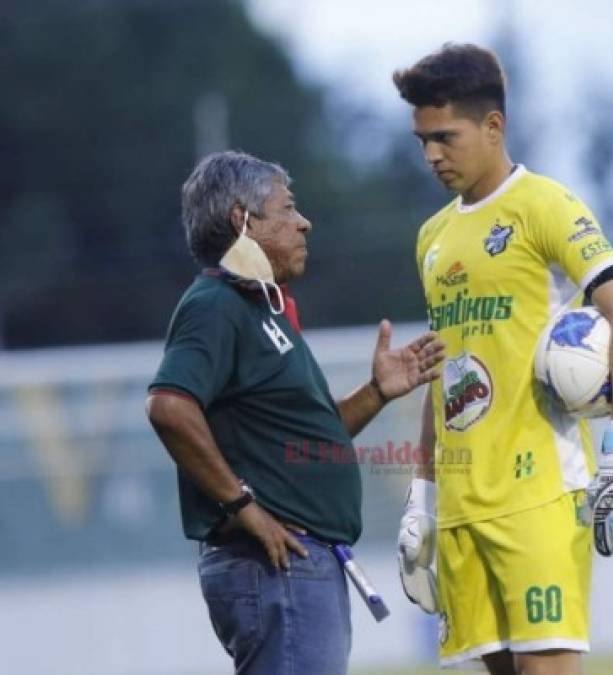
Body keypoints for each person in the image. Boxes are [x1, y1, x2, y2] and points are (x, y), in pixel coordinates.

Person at [392, 44, 613, 674]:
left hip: (538, 495)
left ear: (494, 127)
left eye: (445, 137)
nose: (431, 154)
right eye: (421, 140)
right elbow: (444, 371)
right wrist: (422, 498)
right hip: (462, 507)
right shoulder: (431, 237)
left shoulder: (544, 205)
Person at [145, 150, 444, 675]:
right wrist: (244, 507)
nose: (303, 222)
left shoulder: (263, 308)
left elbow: (308, 438)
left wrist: (377, 391)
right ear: (243, 219)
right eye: (287, 208)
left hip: (295, 565)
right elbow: (169, 406)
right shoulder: (215, 305)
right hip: (275, 563)